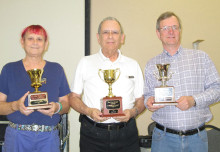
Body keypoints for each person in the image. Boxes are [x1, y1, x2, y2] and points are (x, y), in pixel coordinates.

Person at [144, 11, 220, 152]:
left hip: (197, 138)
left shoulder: (201, 57)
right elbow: (147, 95)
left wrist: (194, 100)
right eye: (165, 28)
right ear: (158, 33)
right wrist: (149, 102)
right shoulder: (151, 64)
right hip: (164, 139)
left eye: (175, 27)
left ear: (180, 30)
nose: (171, 31)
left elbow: (217, 89)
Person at [69, 17, 145, 152]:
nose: (110, 36)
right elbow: (73, 97)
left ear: (122, 38)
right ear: (98, 37)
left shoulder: (133, 64)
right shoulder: (85, 62)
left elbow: (141, 100)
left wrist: (132, 112)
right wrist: (88, 111)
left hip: (126, 134)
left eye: (115, 32)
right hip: (93, 134)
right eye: (106, 32)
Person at [0, 25, 70, 152]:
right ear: (22, 42)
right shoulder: (9, 69)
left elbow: (66, 104)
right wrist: (15, 106)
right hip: (17, 136)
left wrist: (56, 108)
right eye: (30, 38)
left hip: (48, 137)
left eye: (39, 39)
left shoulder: (57, 69)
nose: (35, 43)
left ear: (46, 44)